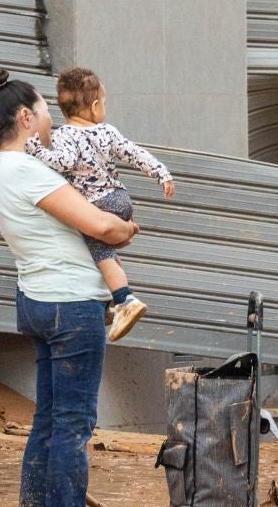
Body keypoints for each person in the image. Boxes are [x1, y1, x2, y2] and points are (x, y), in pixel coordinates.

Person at [0, 67, 137, 507]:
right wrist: (125, 226)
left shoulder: (2, 170)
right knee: (72, 426)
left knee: (47, 425)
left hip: (37, 300)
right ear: (26, 118)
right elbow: (98, 226)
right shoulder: (29, 171)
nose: (53, 116)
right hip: (70, 305)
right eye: (45, 109)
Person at [25, 66, 174, 343]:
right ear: (94, 106)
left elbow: (64, 162)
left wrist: (37, 151)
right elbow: (134, 153)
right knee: (101, 251)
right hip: (119, 199)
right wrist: (160, 172)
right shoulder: (107, 132)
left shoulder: (64, 135)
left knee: (98, 251)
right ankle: (112, 301)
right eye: (104, 103)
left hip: (97, 205)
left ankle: (124, 299)